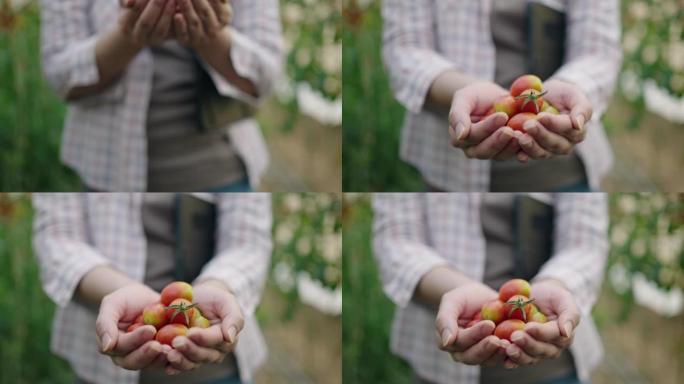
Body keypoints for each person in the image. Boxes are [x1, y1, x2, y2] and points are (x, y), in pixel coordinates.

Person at [41, 0, 283, 192]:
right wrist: (128, 39)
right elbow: (60, 75)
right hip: (106, 178)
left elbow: (265, 77)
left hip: (224, 176)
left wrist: (210, 36)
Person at [382, 0, 622, 192]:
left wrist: (573, 89)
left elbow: (598, 50)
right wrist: (463, 90)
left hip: (565, 177)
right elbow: (405, 48)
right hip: (448, 173)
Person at [32, 193, 272, 384]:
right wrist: (119, 290)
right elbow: (57, 237)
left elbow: (249, 241)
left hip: (219, 375)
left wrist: (217, 286)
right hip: (98, 372)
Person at [373, 193, 608, 384]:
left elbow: (586, 242)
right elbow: (396, 240)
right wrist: (457, 290)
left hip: (555, 374)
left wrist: (555, 284)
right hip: (437, 371)